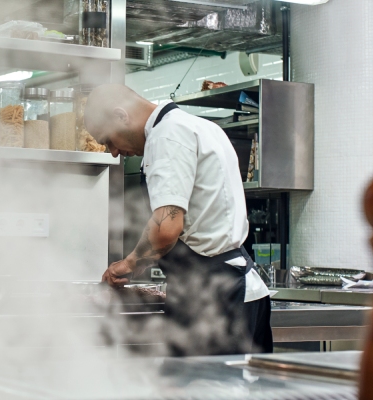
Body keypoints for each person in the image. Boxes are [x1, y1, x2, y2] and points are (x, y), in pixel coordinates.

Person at [85, 84, 272, 356]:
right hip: (234, 290)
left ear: (121, 116)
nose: (113, 151)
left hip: (214, 299)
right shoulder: (201, 127)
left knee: (201, 382)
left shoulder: (166, 136)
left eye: (108, 140)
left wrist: (129, 263)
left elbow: (166, 227)